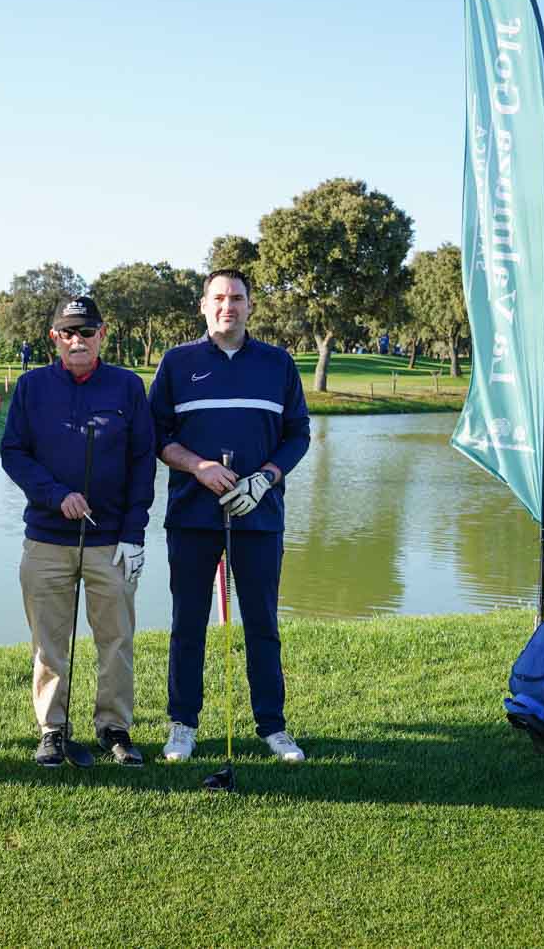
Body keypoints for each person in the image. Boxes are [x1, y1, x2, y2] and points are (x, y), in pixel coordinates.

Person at [148, 268, 311, 764]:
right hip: (193, 515)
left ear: (250, 306)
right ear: (203, 305)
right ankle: (183, 725)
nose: (228, 307)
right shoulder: (177, 363)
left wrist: (266, 476)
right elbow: (157, 438)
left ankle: (273, 727)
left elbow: (298, 435)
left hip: (259, 514)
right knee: (188, 623)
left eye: (237, 298)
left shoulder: (277, 363)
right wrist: (198, 466)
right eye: (218, 298)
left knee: (262, 622)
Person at [1, 296, 155, 767]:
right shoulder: (31, 387)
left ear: (102, 335)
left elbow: (142, 461)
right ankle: (53, 728)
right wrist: (54, 494)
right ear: (54, 338)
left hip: (111, 540)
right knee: (49, 642)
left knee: (117, 639)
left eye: (86, 332)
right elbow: (13, 453)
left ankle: (115, 728)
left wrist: (134, 532)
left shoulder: (127, 387)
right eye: (68, 333)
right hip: (48, 538)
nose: (77, 341)